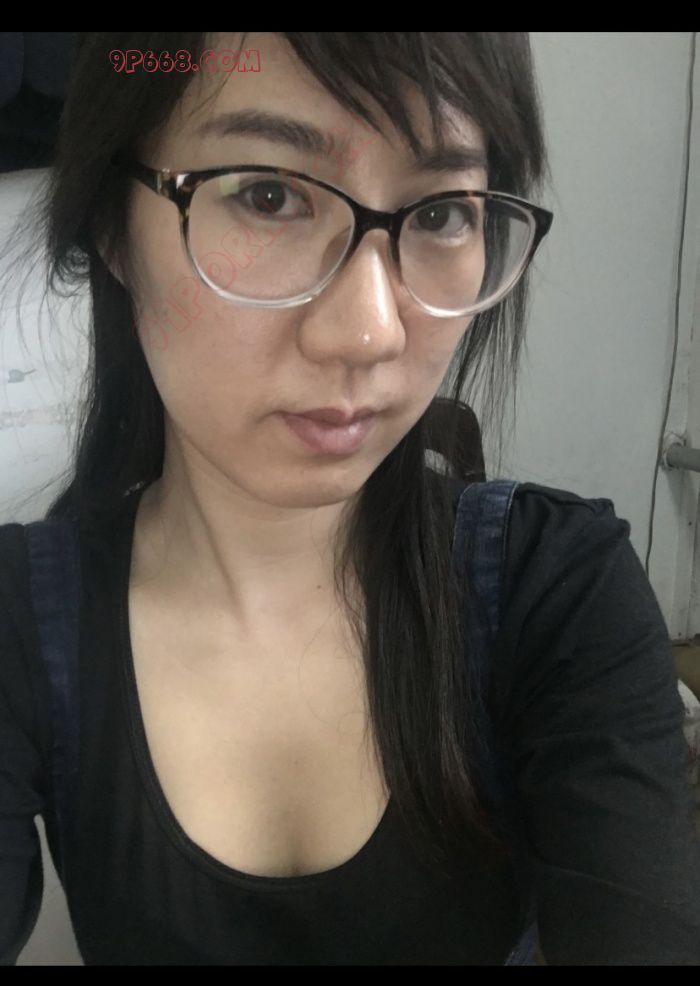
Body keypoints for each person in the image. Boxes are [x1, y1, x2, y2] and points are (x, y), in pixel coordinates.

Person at [1, 31, 699, 966]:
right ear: (109, 224)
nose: (368, 333)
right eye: (268, 195)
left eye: (442, 212)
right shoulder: (20, 626)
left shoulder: (560, 590)